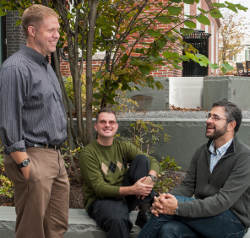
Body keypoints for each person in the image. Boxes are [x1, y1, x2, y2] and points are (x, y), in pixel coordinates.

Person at [0, 4, 69, 238]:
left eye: (57, 29)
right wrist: (26, 166)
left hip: (55, 158)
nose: (57, 35)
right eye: (51, 30)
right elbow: (9, 120)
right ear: (32, 31)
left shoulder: (46, 66)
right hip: (32, 157)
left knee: (56, 229)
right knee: (32, 232)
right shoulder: (16, 68)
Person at [138, 99, 250, 238]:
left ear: (231, 125)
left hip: (231, 223)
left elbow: (222, 201)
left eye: (215, 117)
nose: (209, 120)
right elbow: (187, 187)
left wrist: (176, 206)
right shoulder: (202, 151)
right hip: (202, 215)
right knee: (168, 230)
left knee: (164, 211)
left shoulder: (244, 156)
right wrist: (164, 199)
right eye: (209, 116)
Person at [79, 108, 160, 238]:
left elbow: (152, 160)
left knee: (142, 159)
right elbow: (99, 188)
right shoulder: (88, 153)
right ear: (96, 126)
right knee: (118, 220)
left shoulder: (122, 146)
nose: (107, 125)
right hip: (100, 201)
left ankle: (145, 210)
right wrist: (133, 190)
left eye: (111, 122)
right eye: (103, 122)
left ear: (116, 126)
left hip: (124, 197)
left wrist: (151, 177)